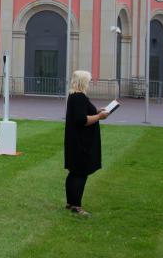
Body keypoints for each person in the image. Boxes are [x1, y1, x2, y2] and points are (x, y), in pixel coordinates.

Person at [64, 70, 109, 217]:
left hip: (75, 140)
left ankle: (71, 203)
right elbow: (82, 120)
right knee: (80, 174)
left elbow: (82, 113)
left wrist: (97, 111)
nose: (89, 84)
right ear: (83, 82)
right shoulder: (79, 97)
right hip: (80, 142)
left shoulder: (75, 96)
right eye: (88, 81)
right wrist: (99, 116)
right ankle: (76, 206)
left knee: (74, 172)